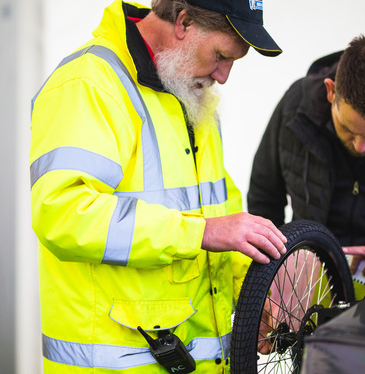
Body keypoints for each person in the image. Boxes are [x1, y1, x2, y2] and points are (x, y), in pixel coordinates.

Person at [30, 0, 285, 372]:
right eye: (220, 55)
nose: (224, 75)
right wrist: (198, 232)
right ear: (183, 21)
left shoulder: (189, 92)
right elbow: (64, 214)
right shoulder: (89, 84)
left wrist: (250, 294)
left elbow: (221, 213)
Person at [247, 33, 365, 288]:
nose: (360, 146)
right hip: (311, 289)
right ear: (331, 91)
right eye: (348, 129)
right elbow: (264, 199)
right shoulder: (296, 105)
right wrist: (277, 270)